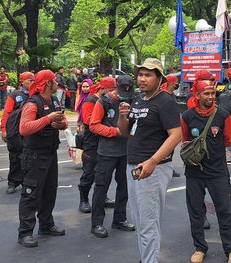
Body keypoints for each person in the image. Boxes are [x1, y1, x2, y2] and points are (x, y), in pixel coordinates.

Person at [118, 58, 182, 263]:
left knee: (148, 222)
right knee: (139, 219)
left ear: (159, 78)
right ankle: (147, 258)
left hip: (152, 170)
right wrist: (122, 117)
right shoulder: (138, 99)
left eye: (148, 75)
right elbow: (125, 132)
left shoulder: (165, 101)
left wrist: (153, 161)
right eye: (140, 74)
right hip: (134, 166)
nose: (142, 79)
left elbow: (176, 135)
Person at [181, 79, 231, 263]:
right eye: (206, 93)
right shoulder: (187, 116)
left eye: (212, 93)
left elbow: (229, 140)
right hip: (194, 172)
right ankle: (200, 248)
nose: (210, 97)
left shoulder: (223, 115)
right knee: (196, 212)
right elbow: (184, 139)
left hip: (218, 172)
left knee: (225, 211)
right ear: (196, 95)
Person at [187, 70, 231, 229]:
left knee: (224, 187)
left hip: (216, 157)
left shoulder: (213, 101)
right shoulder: (192, 105)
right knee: (197, 192)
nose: (212, 85)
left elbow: (227, 137)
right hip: (199, 158)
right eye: (209, 81)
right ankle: (202, 217)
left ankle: (230, 211)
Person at [17, 70, 68, 247]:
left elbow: (64, 122)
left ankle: (46, 224)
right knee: (31, 194)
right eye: (54, 81)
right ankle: (24, 233)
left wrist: (60, 123)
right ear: (47, 83)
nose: (57, 83)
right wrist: (47, 119)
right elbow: (24, 128)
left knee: (49, 191)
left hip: (50, 153)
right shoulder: (32, 103)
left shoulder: (54, 100)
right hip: (34, 156)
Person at [89, 75, 135, 238]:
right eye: (122, 91)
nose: (125, 96)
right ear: (116, 87)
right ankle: (97, 223)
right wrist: (113, 131)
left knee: (124, 188)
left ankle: (119, 219)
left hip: (126, 152)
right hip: (107, 152)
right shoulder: (104, 101)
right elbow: (93, 125)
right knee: (101, 187)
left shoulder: (133, 99)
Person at [77, 77, 116, 213]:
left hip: (104, 141)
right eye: (110, 90)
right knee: (89, 172)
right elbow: (88, 121)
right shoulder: (90, 101)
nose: (112, 92)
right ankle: (84, 199)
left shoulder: (109, 100)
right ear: (102, 88)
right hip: (91, 142)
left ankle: (102, 197)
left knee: (104, 173)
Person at [0, 72, 35, 194]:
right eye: (29, 81)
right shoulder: (15, 95)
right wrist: (4, 129)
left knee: (30, 157)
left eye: (33, 80)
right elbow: (7, 113)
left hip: (30, 131)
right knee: (15, 157)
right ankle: (13, 182)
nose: (32, 83)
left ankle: (27, 181)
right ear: (22, 82)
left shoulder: (35, 95)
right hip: (15, 131)